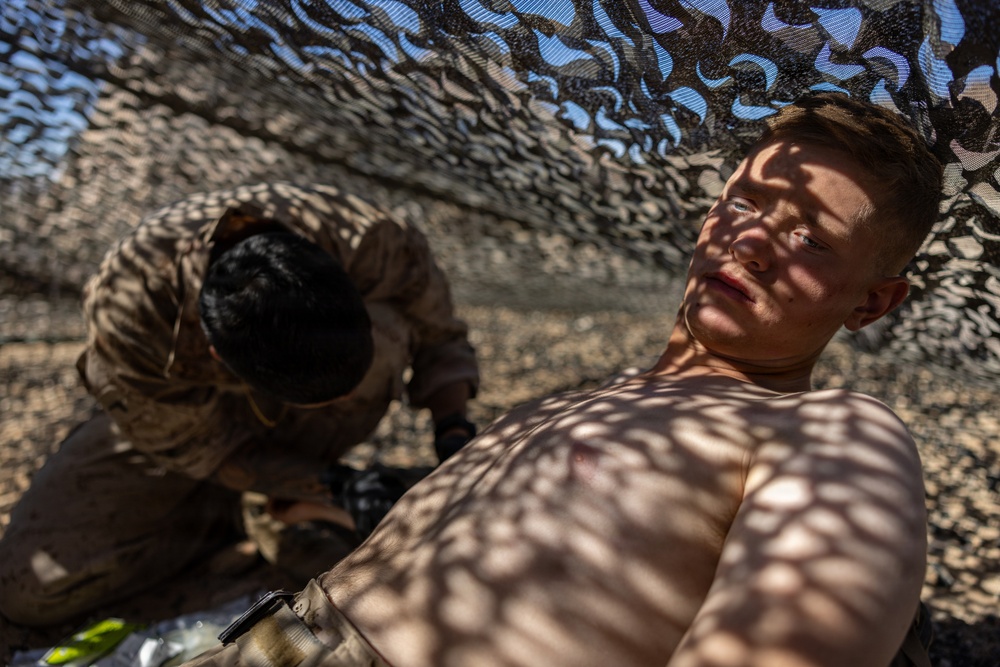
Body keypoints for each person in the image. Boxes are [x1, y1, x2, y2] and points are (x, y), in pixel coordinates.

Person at [0, 183, 480, 630]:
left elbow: (440, 334)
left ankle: (280, 510)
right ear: (217, 358)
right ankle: (244, 516)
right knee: (28, 590)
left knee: (392, 327)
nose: (350, 402)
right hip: (174, 433)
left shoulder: (367, 238)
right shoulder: (128, 314)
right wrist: (337, 486)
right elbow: (199, 448)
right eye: (333, 395)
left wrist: (453, 436)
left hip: (292, 433)